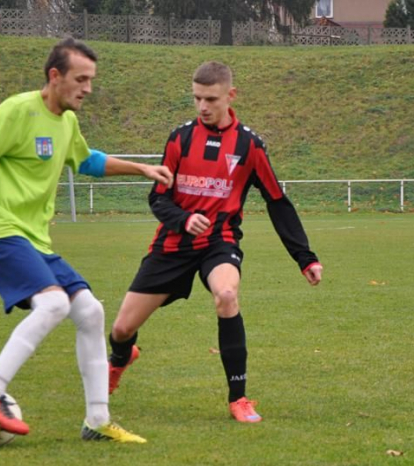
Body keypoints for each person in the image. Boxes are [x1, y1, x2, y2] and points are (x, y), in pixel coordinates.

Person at [0, 38, 173, 443]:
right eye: (81, 79)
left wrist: (141, 169)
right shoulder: (18, 110)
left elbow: (88, 161)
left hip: (33, 239)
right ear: (54, 76)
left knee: (91, 312)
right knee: (55, 302)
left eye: (91, 80)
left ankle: (97, 420)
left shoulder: (67, 122)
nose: (88, 88)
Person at [106, 61, 323, 423]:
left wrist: (305, 258)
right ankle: (120, 358)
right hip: (172, 245)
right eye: (196, 98)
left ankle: (239, 398)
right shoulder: (180, 139)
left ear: (230, 96)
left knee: (226, 295)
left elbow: (276, 201)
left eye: (210, 98)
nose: (202, 106)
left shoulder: (249, 145)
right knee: (121, 329)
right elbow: (158, 197)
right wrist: (183, 219)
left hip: (219, 243)